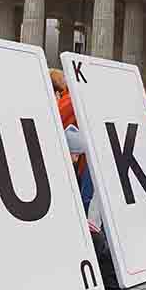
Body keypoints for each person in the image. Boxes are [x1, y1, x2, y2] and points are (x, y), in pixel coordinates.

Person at [50, 68, 93, 214]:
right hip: (80, 158)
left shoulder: (68, 100)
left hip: (72, 156)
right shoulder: (73, 99)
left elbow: (56, 123)